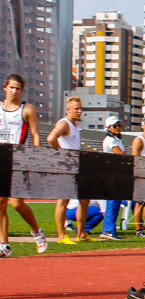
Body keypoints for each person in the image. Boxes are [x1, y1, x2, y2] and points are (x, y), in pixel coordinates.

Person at [0, 74, 49, 256]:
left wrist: (38, 158)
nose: (14, 91)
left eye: (17, 88)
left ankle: (37, 231)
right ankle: (4, 245)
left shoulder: (26, 109)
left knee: (16, 203)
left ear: (21, 90)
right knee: (0, 202)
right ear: (5, 87)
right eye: (11, 87)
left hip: (20, 159)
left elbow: (36, 134)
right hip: (1, 160)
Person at [48, 96, 90, 245]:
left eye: (80, 108)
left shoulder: (75, 124)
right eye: (76, 108)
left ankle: (82, 233)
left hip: (77, 166)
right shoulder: (64, 124)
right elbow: (51, 138)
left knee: (85, 200)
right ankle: (61, 236)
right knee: (63, 200)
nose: (79, 111)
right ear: (68, 110)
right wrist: (63, 155)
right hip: (66, 167)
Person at [99, 116, 126, 240]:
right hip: (111, 174)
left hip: (117, 173)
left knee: (115, 203)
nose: (118, 128)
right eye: (115, 126)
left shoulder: (117, 139)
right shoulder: (110, 140)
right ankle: (108, 230)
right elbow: (120, 154)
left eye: (119, 125)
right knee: (113, 203)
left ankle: (110, 230)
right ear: (109, 127)